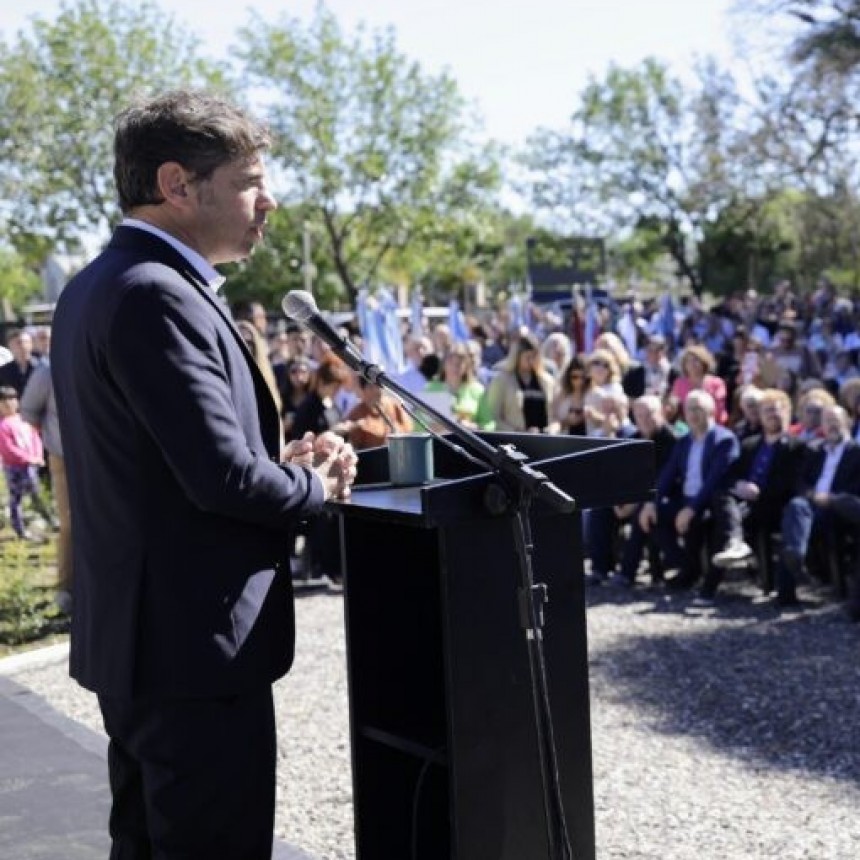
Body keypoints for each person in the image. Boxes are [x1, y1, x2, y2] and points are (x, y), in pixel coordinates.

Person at [50, 89, 357, 859]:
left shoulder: (99, 284)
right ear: (178, 185)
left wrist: (276, 465)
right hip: (191, 656)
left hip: (150, 648)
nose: (270, 201)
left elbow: (170, 463)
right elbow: (219, 480)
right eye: (251, 180)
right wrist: (317, 487)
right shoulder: (155, 294)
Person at [707, 388, 805, 596]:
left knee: (726, 519)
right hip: (745, 505)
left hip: (775, 507)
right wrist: (739, 485)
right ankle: (734, 545)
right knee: (722, 500)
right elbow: (729, 476)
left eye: (776, 410)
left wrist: (759, 492)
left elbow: (791, 483)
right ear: (760, 416)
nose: (772, 415)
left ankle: (712, 583)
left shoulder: (796, 447)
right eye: (767, 411)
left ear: (787, 413)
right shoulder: (749, 445)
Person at [639, 390, 740, 595]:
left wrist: (691, 509)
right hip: (685, 499)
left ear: (711, 410)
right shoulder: (684, 442)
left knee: (706, 521)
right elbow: (667, 475)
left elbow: (713, 482)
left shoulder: (724, 440)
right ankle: (685, 568)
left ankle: (708, 586)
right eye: (688, 409)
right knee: (651, 516)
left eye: (698, 408)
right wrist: (651, 503)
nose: (693, 414)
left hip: (712, 501)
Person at [775, 405, 860, 607]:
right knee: (796, 506)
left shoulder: (857, 453)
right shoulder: (814, 450)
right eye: (827, 421)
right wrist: (812, 495)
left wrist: (831, 498)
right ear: (822, 426)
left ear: (847, 422)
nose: (832, 425)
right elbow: (800, 482)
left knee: (795, 522)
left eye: (836, 420)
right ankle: (795, 559)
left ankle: (797, 562)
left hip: (841, 509)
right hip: (812, 506)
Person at [20, 362, 72, 613]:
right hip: (63, 455)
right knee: (70, 524)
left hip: (101, 454)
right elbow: (28, 412)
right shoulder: (48, 370)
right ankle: (66, 588)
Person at [0, 386, 53, 540]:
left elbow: (35, 437)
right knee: (16, 498)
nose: (8, 404)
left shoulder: (24, 420)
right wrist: (28, 458)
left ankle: (48, 519)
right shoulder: (3, 426)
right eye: (3, 401)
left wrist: (37, 455)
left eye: (11, 399)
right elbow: (8, 449)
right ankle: (20, 529)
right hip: (14, 468)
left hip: (31, 466)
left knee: (36, 493)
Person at [484, 334, 556, 432]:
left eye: (534, 356)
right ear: (517, 356)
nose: (531, 361)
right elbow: (493, 415)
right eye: (527, 357)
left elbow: (555, 415)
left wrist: (550, 429)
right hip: (514, 439)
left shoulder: (547, 381)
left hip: (544, 439)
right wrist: (517, 431)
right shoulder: (501, 380)